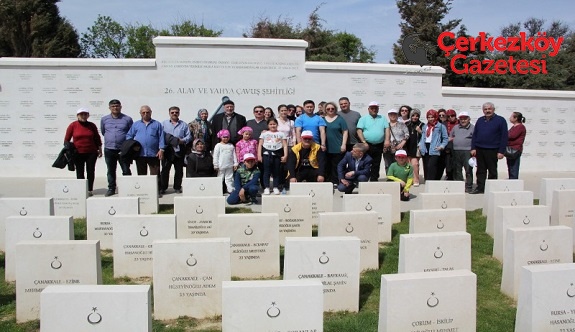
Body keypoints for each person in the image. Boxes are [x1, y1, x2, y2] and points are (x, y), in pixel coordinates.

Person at [470, 102, 508, 194]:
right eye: (485, 109)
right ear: (483, 110)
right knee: (480, 170)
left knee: (492, 170)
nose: (487, 111)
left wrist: (501, 151)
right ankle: (480, 188)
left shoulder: (500, 120)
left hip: (493, 149)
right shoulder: (480, 120)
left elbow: (504, 136)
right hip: (480, 149)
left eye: (489, 109)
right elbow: (475, 135)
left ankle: (491, 189)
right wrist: (473, 148)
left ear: (493, 109)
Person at [125, 105, 165, 191]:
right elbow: (129, 136)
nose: (146, 114)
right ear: (140, 113)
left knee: (155, 175)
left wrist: (161, 149)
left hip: (154, 154)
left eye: (147, 112)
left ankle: (156, 191)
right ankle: (143, 191)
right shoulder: (136, 124)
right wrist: (133, 145)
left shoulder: (157, 124)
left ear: (151, 113)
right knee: (142, 175)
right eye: (143, 112)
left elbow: (161, 137)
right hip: (140, 154)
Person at [64, 108, 102, 196]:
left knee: (90, 171)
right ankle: (81, 190)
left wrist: (100, 148)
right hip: (78, 152)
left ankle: (89, 189)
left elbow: (97, 137)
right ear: (77, 116)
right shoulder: (73, 125)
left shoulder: (92, 125)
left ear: (88, 116)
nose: (83, 116)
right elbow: (66, 140)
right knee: (80, 171)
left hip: (91, 152)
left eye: (85, 114)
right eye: (81, 114)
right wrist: (68, 151)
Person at [100, 99, 133, 197]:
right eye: (113, 106)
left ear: (120, 107)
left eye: (117, 106)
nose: (115, 108)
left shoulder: (127, 119)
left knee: (126, 169)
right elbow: (103, 132)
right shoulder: (104, 119)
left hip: (123, 149)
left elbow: (131, 133)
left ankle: (128, 188)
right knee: (110, 170)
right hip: (109, 149)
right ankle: (111, 188)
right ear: (109, 107)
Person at [356, 101, 391, 182]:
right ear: (368, 109)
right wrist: (364, 142)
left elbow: (387, 129)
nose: (374, 109)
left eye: (375, 108)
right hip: (367, 145)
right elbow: (359, 130)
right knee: (365, 162)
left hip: (379, 144)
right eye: (372, 108)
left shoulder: (383, 118)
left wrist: (387, 140)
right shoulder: (363, 118)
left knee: (376, 163)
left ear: (378, 109)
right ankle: (364, 178)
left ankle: (374, 179)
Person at [160, 106, 191, 195]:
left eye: (176, 112)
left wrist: (182, 140)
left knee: (179, 170)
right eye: (172, 112)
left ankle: (177, 187)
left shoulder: (184, 124)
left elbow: (188, 136)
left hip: (179, 149)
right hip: (167, 149)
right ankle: (163, 187)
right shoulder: (163, 124)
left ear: (179, 113)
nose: (174, 114)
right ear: (169, 113)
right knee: (165, 169)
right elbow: (161, 136)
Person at [258, 118, 287, 195]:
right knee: (266, 171)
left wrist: (285, 155)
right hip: (266, 154)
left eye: (274, 124)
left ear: (277, 125)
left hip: (277, 154)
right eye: (270, 124)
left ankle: (275, 187)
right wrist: (259, 155)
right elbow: (260, 145)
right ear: (268, 125)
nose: (272, 126)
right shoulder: (264, 134)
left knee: (276, 171)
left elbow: (284, 145)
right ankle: (266, 187)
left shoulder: (281, 134)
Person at [419, 109, 448, 182]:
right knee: (426, 167)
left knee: (431, 166)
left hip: (435, 148)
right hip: (425, 148)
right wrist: (420, 145)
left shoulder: (441, 126)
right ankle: (427, 182)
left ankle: (431, 182)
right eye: (428, 117)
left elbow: (445, 138)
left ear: (435, 117)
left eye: (432, 117)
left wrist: (441, 146)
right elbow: (423, 137)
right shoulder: (425, 126)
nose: (430, 119)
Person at [323, 102, 348, 185]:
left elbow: (345, 131)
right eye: (328, 109)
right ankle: (328, 182)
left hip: (337, 146)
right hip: (326, 147)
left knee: (336, 166)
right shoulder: (322, 119)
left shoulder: (340, 119)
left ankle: (336, 182)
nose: (330, 110)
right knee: (327, 165)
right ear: (325, 110)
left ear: (335, 109)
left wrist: (343, 144)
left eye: (332, 108)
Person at [450, 112, 474, 192]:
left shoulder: (473, 128)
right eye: (461, 119)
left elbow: (475, 139)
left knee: (468, 170)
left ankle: (469, 187)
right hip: (456, 150)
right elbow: (451, 136)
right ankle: (459, 186)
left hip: (467, 151)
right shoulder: (456, 127)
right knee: (457, 170)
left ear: (469, 119)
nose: (463, 120)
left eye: (465, 119)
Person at [213, 129, 238, 194]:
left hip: (229, 165)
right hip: (221, 166)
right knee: (220, 178)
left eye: (227, 137)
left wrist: (235, 163)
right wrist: (216, 165)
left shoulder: (231, 145)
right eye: (224, 137)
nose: (225, 138)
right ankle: (217, 190)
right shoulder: (218, 145)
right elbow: (215, 156)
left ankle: (230, 190)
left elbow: (234, 155)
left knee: (229, 178)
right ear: (220, 137)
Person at [405, 108, 423, 186]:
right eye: (413, 115)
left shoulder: (422, 125)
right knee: (408, 164)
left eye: (417, 116)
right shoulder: (407, 124)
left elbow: (426, 136)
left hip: (416, 148)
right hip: (407, 147)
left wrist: (420, 132)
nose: (415, 117)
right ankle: (409, 179)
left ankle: (416, 180)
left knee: (415, 164)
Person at [506, 112, 526, 180]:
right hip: (509, 149)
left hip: (515, 149)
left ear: (516, 118)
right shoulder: (514, 126)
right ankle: (511, 180)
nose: (510, 118)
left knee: (514, 168)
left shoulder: (520, 127)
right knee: (510, 167)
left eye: (511, 116)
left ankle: (514, 182)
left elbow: (511, 135)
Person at [443, 109, 459, 180]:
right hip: (448, 147)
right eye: (448, 116)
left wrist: (453, 138)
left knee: (457, 164)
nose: (450, 117)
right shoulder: (444, 124)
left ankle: (457, 177)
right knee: (448, 163)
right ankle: (449, 176)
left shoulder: (460, 123)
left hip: (458, 146)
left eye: (452, 116)